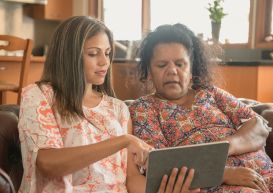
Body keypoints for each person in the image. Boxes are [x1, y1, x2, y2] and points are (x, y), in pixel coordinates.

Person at [18, 16, 198, 193]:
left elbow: (131, 180)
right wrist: (123, 141)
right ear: (69, 55)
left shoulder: (118, 109)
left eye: (107, 53)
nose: (104, 62)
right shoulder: (39, 96)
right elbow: (48, 164)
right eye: (93, 53)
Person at [129, 23, 273, 193]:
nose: (172, 71)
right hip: (219, 185)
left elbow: (258, 127)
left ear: (191, 69)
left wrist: (222, 148)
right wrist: (223, 173)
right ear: (149, 71)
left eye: (180, 64)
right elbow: (161, 164)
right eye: (161, 65)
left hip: (269, 173)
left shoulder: (211, 93)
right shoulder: (143, 109)